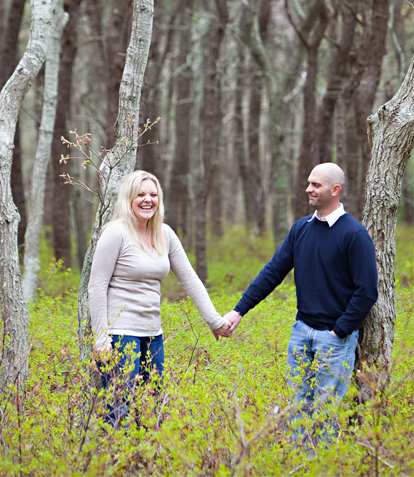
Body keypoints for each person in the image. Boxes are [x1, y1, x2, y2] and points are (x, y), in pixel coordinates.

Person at [222, 162, 378, 445]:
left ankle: (321, 466)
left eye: (316, 184)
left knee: (325, 412)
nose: (308, 189)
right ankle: (298, 464)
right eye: (308, 183)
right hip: (301, 333)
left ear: (335, 189)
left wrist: (339, 331)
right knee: (297, 407)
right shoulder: (300, 229)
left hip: (335, 339)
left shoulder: (354, 235)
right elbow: (272, 273)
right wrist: (239, 310)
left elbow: (367, 292)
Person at [88, 170, 231, 426]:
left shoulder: (164, 234)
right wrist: (101, 338)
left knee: (150, 409)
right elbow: (96, 286)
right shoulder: (115, 233)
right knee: (119, 412)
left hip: (153, 335)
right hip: (120, 336)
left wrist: (214, 320)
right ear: (128, 198)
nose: (148, 200)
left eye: (153, 195)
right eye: (140, 194)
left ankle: (146, 464)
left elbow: (190, 279)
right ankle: (115, 463)